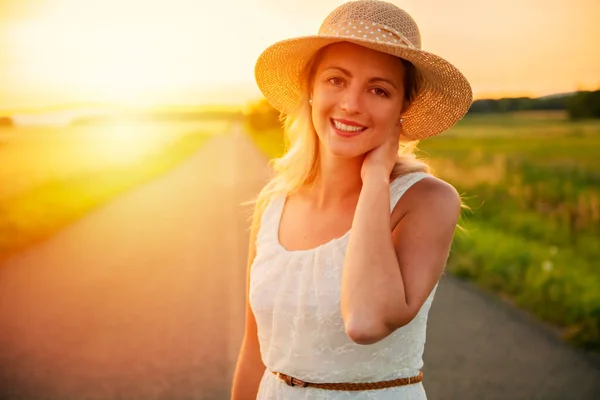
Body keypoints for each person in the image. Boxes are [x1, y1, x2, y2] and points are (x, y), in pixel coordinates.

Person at [231, 1, 472, 398]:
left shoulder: (426, 201)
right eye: (336, 80)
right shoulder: (274, 204)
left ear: (402, 108)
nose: (351, 104)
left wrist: (375, 178)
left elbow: (365, 321)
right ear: (310, 88)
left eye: (379, 90)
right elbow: (254, 353)